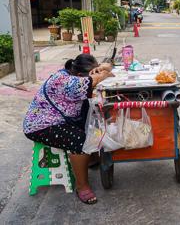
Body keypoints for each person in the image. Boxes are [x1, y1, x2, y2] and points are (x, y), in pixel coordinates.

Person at [23, 54, 113, 204]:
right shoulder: (66, 81)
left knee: (92, 123)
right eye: (93, 72)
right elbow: (98, 78)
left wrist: (102, 68)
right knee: (80, 140)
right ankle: (82, 187)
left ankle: (89, 159)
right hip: (40, 125)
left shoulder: (72, 74)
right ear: (79, 75)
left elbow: (104, 72)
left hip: (60, 119)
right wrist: (102, 72)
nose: (96, 74)